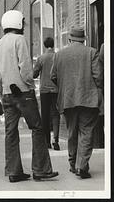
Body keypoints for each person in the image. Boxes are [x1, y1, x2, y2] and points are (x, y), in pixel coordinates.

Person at [0, 10, 58, 183]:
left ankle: (14, 172)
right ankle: (41, 169)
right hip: (23, 93)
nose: (24, 24)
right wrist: (29, 86)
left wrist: (1, 95)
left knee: (10, 133)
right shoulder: (19, 40)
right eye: (23, 21)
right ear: (18, 23)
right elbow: (26, 69)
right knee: (37, 128)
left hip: (6, 94)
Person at [50, 27, 100, 179]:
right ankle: (82, 166)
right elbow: (98, 76)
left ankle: (73, 164)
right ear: (83, 40)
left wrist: (66, 86)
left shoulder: (59, 55)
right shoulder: (92, 52)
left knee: (72, 132)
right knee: (86, 132)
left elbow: (53, 77)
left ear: (70, 39)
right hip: (88, 98)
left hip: (68, 99)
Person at [33, 37, 60, 150]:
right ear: (53, 45)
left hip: (44, 90)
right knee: (55, 114)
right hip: (56, 90)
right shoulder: (58, 57)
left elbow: (34, 74)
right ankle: (56, 141)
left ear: (44, 45)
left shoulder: (41, 58)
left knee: (45, 115)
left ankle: (47, 142)